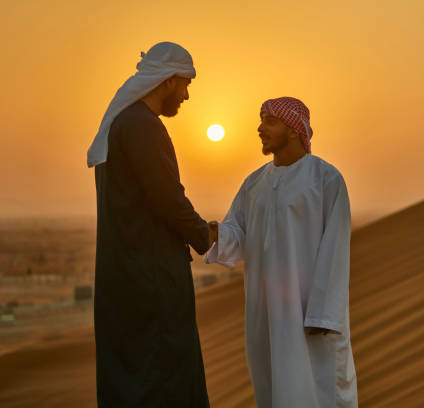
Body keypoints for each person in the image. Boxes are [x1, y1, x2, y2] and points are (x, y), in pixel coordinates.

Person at [205, 97, 358, 407]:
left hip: (311, 317)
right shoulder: (254, 184)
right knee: (272, 388)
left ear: (293, 130)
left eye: (269, 121)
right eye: (261, 120)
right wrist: (212, 234)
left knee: (319, 390)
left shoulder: (326, 179)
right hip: (265, 314)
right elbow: (237, 236)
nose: (260, 128)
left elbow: (335, 250)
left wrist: (323, 315)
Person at [87, 42, 213, 407]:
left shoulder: (122, 124)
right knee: (163, 376)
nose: (187, 95)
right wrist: (204, 234)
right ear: (168, 81)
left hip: (127, 276)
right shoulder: (142, 126)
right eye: (186, 83)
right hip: (151, 277)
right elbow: (167, 198)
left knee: (132, 376)